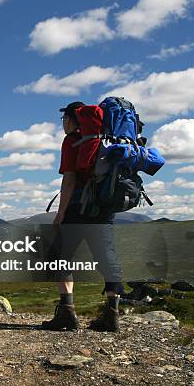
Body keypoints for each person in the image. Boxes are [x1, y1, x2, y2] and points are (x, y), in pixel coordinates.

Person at [41, 101, 124, 332]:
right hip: (105, 207)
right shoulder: (107, 141)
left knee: (61, 255)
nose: (63, 124)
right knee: (106, 257)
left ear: (72, 119)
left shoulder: (71, 141)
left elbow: (69, 180)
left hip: (78, 207)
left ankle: (67, 313)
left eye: (64, 119)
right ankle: (112, 315)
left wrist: (60, 214)